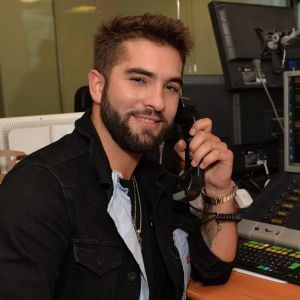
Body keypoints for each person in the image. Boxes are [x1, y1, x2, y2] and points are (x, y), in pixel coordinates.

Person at [0, 13, 238, 300]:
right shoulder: (39, 189)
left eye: (171, 87)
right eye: (139, 80)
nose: (158, 102)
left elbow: (214, 267)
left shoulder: (157, 182)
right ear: (98, 86)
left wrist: (218, 188)